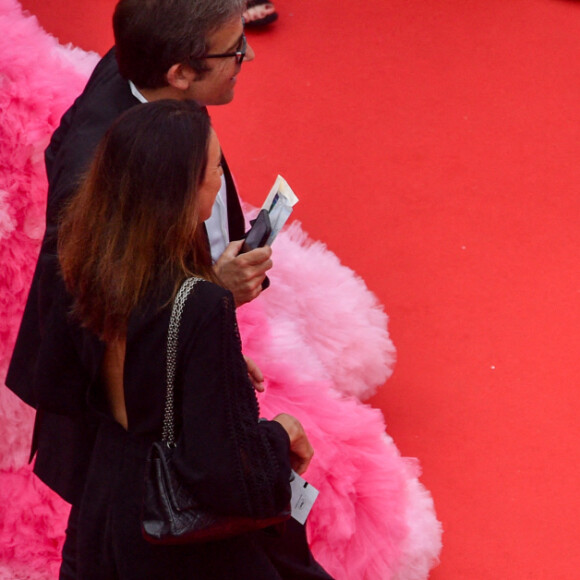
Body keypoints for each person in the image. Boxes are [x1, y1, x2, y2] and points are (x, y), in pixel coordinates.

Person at [47, 98, 330, 579]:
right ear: (181, 191)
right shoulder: (198, 303)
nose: (221, 180)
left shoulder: (86, 261)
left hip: (106, 500)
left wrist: (210, 366)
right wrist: (282, 434)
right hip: (172, 539)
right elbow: (220, 468)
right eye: (216, 168)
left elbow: (104, 374)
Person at [7, 0, 268, 509]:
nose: (250, 55)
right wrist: (212, 294)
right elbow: (99, 327)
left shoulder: (141, 61)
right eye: (235, 50)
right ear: (180, 74)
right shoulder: (92, 185)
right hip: (121, 432)